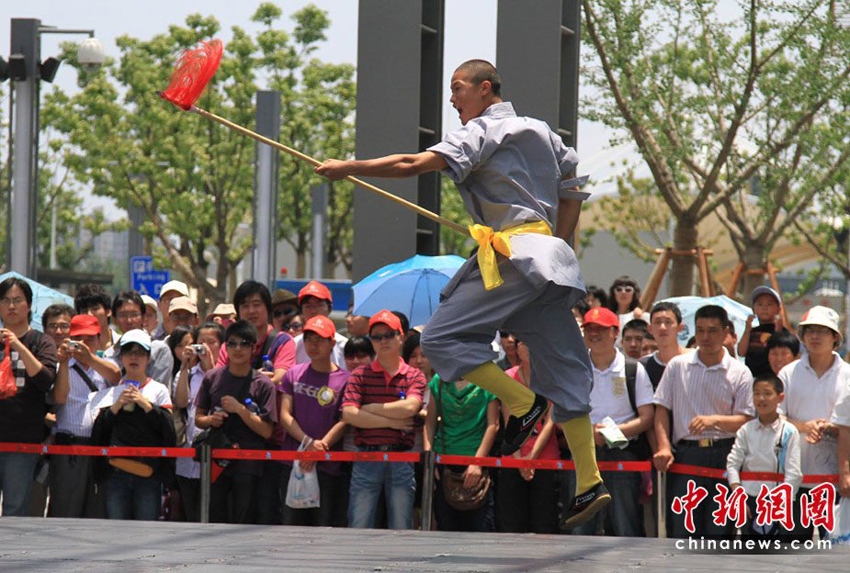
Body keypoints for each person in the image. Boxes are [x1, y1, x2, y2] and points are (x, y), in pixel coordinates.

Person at [317, 59, 607, 527]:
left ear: (485, 88)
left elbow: (414, 163)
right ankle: (590, 483)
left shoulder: (482, 131)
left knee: (439, 339)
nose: (453, 100)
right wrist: (557, 246)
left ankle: (521, 402)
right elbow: (572, 190)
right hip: (551, 265)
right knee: (569, 374)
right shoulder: (546, 134)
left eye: (457, 89)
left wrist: (350, 167)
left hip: (513, 256)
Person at [653, 304, 754, 538]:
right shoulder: (677, 366)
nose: (705, 337)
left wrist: (714, 421)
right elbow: (661, 409)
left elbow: (746, 419)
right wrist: (665, 447)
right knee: (682, 529)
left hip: (726, 456)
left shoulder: (740, 372)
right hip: (686, 456)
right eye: (700, 330)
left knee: (720, 532)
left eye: (712, 330)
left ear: (726, 332)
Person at [568, 307, 654, 537]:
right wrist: (589, 433)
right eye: (589, 329)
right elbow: (561, 414)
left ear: (615, 332)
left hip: (622, 453)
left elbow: (647, 417)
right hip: (583, 453)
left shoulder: (633, 369)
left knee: (626, 522)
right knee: (580, 525)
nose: (594, 334)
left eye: (601, 329)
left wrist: (613, 432)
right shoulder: (576, 369)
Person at [341, 310, 426, 529]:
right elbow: (349, 414)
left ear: (401, 337)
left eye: (389, 335)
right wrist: (392, 422)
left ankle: (401, 565)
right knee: (358, 523)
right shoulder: (360, 375)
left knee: (401, 525)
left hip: (402, 456)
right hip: (367, 455)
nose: (383, 341)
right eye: (377, 336)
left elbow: (411, 407)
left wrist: (371, 408)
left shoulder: (414, 374)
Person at [777, 305, 849, 540]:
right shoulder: (788, 374)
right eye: (810, 331)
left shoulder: (847, 375)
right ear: (802, 336)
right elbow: (774, 419)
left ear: (835, 338)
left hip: (836, 481)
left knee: (836, 553)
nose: (815, 336)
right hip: (794, 478)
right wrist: (804, 426)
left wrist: (831, 428)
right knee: (792, 549)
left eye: (822, 331)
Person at [196, 320, 278, 524]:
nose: (238, 349)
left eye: (244, 344)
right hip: (217, 461)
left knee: (244, 520)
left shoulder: (263, 384)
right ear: (225, 347)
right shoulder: (212, 378)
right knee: (214, 518)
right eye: (232, 344)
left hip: (249, 464)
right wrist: (211, 420)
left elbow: (267, 431)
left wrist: (240, 410)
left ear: (253, 347)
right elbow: (198, 419)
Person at [90, 329, 175, 520]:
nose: (134, 357)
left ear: (148, 358)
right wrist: (117, 405)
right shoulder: (112, 390)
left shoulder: (158, 390)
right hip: (116, 472)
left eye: (140, 353)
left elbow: (169, 431)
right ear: (121, 358)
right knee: (116, 527)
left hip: (148, 472)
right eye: (128, 352)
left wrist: (145, 404)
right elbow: (98, 432)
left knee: (146, 529)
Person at [278, 315, 350, 527]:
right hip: (294, 462)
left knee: (323, 528)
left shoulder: (346, 379)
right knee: (290, 527)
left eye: (320, 339)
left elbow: (345, 419)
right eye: (309, 339)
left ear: (332, 343)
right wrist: (308, 443)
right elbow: (285, 415)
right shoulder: (293, 374)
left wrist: (320, 448)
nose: (314, 345)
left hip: (327, 466)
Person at [0, 277, 58, 517]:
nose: (11, 306)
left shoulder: (42, 341)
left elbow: (45, 380)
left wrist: (19, 346)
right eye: (4, 301)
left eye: (17, 300)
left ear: (29, 306)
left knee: (15, 508)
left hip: (22, 440)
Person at [423, 362, 498, 532]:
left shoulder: (488, 380)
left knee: (480, 528)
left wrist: (477, 463)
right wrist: (429, 458)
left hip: (476, 464)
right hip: (444, 462)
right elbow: (430, 423)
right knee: (445, 526)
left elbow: (493, 425)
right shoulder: (439, 381)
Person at [726, 373, 802, 540]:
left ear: (780, 397)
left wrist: (782, 502)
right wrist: (738, 494)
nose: (761, 398)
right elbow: (732, 464)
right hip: (749, 498)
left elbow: (794, 472)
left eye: (767, 393)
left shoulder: (789, 431)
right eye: (757, 393)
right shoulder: (746, 429)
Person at [498, 338, 561, 533]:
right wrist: (520, 460)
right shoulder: (508, 377)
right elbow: (508, 420)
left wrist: (531, 458)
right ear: (517, 348)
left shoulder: (551, 377)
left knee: (544, 522)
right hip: (513, 458)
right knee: (512, 523)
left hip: (544, 457)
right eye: (524, 343)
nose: (529, 348)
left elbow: (551, 420)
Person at [173, 321, 222, 522]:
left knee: (213, 513)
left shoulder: (226, 373)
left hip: (215, 454)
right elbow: (181, 401)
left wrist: (211, 368)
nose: (206, 347)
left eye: (212, 342)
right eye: (201, 342)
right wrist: (185, 366)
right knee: (190, 513)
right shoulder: (188, 374)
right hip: (188, 453)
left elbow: (219, 401)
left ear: (222, 344)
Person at [111, 291, 173, 389]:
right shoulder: (111, 354)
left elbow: (157, 392)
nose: (129, 321)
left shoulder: (159, 350)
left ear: (143, 318)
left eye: (134, 315)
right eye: (123, 315)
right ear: (114, 319)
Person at [293, 281, 348, 366]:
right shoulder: (294, 345)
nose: (313, 311)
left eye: (319, 305)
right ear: (301, 311)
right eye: (308, 306)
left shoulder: (344, 345)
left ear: (330, 309)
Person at [738, 286, 786, 377]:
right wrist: (747, 329)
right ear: (753, 309)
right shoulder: (751, 332)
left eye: (769, 304)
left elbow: (780, 352)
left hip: (772, 378)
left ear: (778, 309)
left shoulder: (782, 331)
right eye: (760, 304)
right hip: (751, 377)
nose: (764, 308)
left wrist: (778, 331)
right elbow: (741, 352)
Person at [640, 302, 687, 391]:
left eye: (668, 322)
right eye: (657, 322)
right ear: (649, 329)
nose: (662, 327)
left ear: (680, 327)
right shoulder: (643, 366)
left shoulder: (695, 360)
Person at [74, 284, 118, 352]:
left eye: (95, 309)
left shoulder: (122, 345)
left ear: (108, 312)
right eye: (84, 310)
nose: (89, 314)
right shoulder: (75, 347)